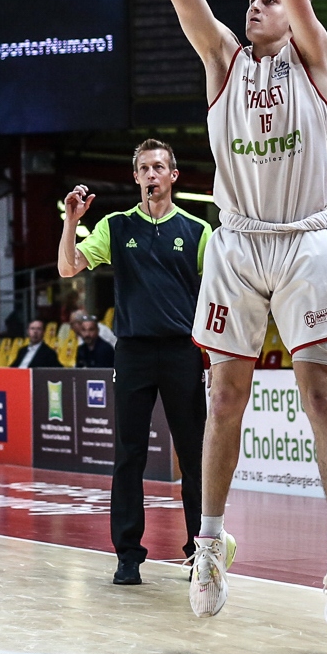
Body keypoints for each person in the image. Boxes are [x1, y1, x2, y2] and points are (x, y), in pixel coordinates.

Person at [101, 0, 327, 626]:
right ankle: (209, 542)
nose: (258, 3)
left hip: (306, 238)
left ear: (294, 12)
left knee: (321, 393)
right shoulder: (222, 60)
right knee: (225, 400)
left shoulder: (312, 58)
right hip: (240, 242)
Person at [58, 139, 209, 584]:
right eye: (144, 167)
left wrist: (218, 356)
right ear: (136, 176)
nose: (151, 174)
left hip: (183, 351)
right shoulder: (115, 226)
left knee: (194, 457)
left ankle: (201, 550)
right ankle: (128, 554)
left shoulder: (200, 230)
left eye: (159, 167)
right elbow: (68, 268)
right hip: (134, 352)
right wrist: (71, 222)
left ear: (173, 176)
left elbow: (222, 291)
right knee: (129, 456)